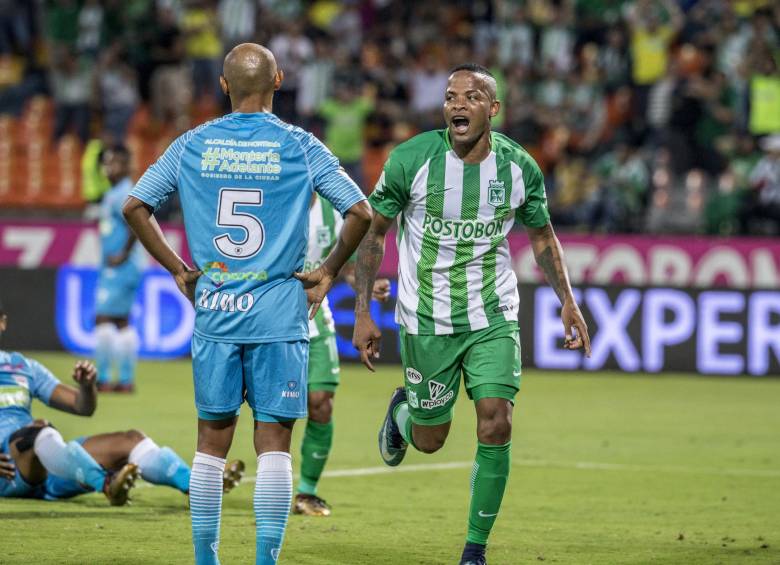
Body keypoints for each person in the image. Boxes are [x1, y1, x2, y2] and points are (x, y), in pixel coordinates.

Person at [122, 43, 371, 565]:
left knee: (211, 445)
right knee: (274, 444)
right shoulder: (301, 144)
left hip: (216, 311)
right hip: (280, 314)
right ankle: (265, 561)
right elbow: (360, 212)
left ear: (223, 84)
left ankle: (207, 561)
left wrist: (179, 270)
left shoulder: (191, 143)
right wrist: (326, 271)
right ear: (279, 79)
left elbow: (135, 205)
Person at [352, 64, 592, 565]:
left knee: (496, 422)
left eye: (472, 96)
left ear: (493, 109)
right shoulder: (411, 159)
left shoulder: (518, 167)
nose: (458, 105)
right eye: (450, 97)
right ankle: (403, 412)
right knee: (430, 440)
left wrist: (567, 299)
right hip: (425, 319)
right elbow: (375, 234)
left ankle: (474, 550)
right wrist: (363, 312)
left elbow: (543, 237)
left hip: (493, 316)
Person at [0, 299, 244, 504]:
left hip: (50, 464)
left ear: (3, 323)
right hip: (10, 470)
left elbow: (82, 407)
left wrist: (87, 386)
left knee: (131, 440)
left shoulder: (22, 367)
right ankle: (107, 485)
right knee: (37, 433)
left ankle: (196, 487)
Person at [292, 194, 390, 517]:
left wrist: (364, 283)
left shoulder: (334, 214)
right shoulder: (275, 196)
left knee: (321, 402)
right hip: (271, 316)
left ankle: (307, 491)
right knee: (253, 400)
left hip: (315, 317)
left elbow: (345, 264)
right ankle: (216, 467)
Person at [93, 144, 142, 393]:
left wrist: (122, 254)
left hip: (121, 267)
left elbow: (137, 224)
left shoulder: (124, 192)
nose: (107, 168)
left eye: (112, 163)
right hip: (120, 267)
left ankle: (103, 378)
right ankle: (124, 380)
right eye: (106, 163)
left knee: (103, 318)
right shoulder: (116, 192)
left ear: (124, 166)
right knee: (121, 321)